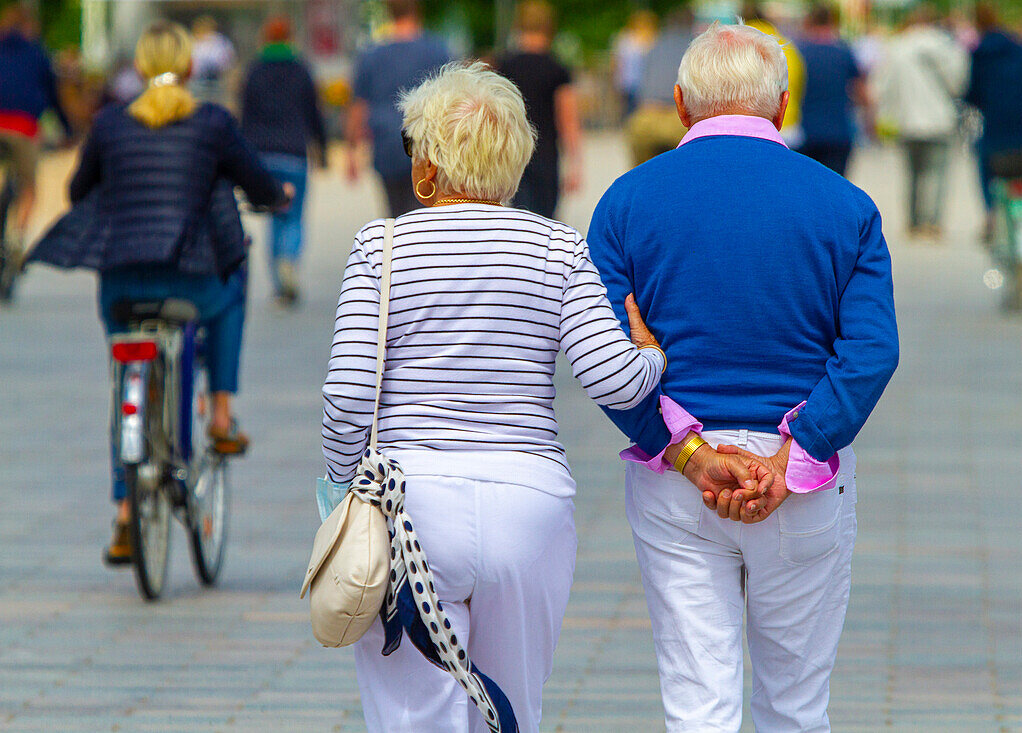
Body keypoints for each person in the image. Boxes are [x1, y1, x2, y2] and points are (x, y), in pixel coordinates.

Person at [321, 62, 753, 733]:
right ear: (515, 166)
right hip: (529, 505)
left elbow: (348, 397)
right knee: (511, 705)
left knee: (412, 713)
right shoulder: (556, 247)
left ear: (428, 167)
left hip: (412, 507)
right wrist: (652, 354)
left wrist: (345, 486)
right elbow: (613, 380)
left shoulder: (381, 247)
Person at [586, 23, 899, 730]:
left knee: (698, 699)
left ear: (680, 103)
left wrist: (689, 452)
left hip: (676, 475)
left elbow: (601, 353)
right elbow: (873, 349)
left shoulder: (626, 203)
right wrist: (801, 453)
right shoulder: (846, 205)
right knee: (795, 703)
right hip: (800, 478)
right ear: (783, 106)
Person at [39, 21, 288, 565]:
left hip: (122, 280)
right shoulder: (212, 123)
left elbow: (78, 191)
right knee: (235, 281)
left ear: (140, 68)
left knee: (121, 384)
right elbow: (259, 183)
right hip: (191, 279)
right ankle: (221, 414)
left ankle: (126, 514)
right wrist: (280, 195)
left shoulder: (109, 124)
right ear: (192, 66)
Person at [240, 15, 328, 305]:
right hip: (294, 153)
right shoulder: (301, 70)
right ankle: (289, 259)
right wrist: (322, 150)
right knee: (294, 216)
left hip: (261, 156)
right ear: (290, 37)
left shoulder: (254, 71)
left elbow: (245, 116)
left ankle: (279, 284)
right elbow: (314, 113)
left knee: (274, 216)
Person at [345, 0, 451, 217]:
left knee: (395, 212)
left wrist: (351, 152)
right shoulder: (438, 51)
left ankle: (400, 247)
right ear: (417, 9)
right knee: (427, 210)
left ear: (389, 12)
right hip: (428, 146)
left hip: (387, 146)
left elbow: (359, 106)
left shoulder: (372, 55)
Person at [876, 4, 968, 239]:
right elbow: (958, 85)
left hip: (907, 120)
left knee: (912, 174)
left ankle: (914, 222)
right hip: (940, 119)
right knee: (937, 173)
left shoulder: (897, 47)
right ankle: (933, 222)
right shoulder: (946, 47)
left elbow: (884, 87)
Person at [965, 2, 1022, 245]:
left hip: (996, 135)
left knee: (985, 169)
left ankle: (992, 215)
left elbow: (973, 93)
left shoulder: (980, 53)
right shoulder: (1021, 49)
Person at [496, 0, 582, 219]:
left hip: (514, 158)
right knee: (545, 225)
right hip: (546, 157)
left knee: (519, 225)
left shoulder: (505, 66)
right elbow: (568, 119)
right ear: (549, 28)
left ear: (519, 26)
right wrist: (575, 164)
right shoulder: (557, 69)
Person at [0, 3, 72, 253]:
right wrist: (67, 129)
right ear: (29, 25)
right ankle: (16, 240)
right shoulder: (38, 53)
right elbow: (54, 97)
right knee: (29, 186)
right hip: (23, 128)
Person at [797, 3, 872, 176]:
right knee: (835, 190)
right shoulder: (844, 52)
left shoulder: (800, 53)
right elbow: (862, 92)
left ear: (809, 22)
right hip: (839, 132)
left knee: (808, 190)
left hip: (806, 132)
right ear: (832, 21)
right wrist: (870, 123)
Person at [624, 7, 696, 166]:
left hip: (647, 118)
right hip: (679, 121)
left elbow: (640, 87)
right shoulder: (695, 47)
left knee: (638, 171)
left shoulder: (653, 47)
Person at [742, 1, 807, 148]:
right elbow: (799, 84)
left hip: (752, 130)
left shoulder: (739, 44)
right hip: (789, 127)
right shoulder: (787, 46)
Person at [611, 10, 658, 120]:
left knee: (637, 109)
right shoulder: (626, 39)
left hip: (640, 81)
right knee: (631, 109)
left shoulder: (651, 39)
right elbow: (617, 60)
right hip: (630, 80)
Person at [190, 15, 236, 105]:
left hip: (216, 82)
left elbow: (228, 62)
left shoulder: (220, 42)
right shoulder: (192, 41)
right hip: (196, 83)